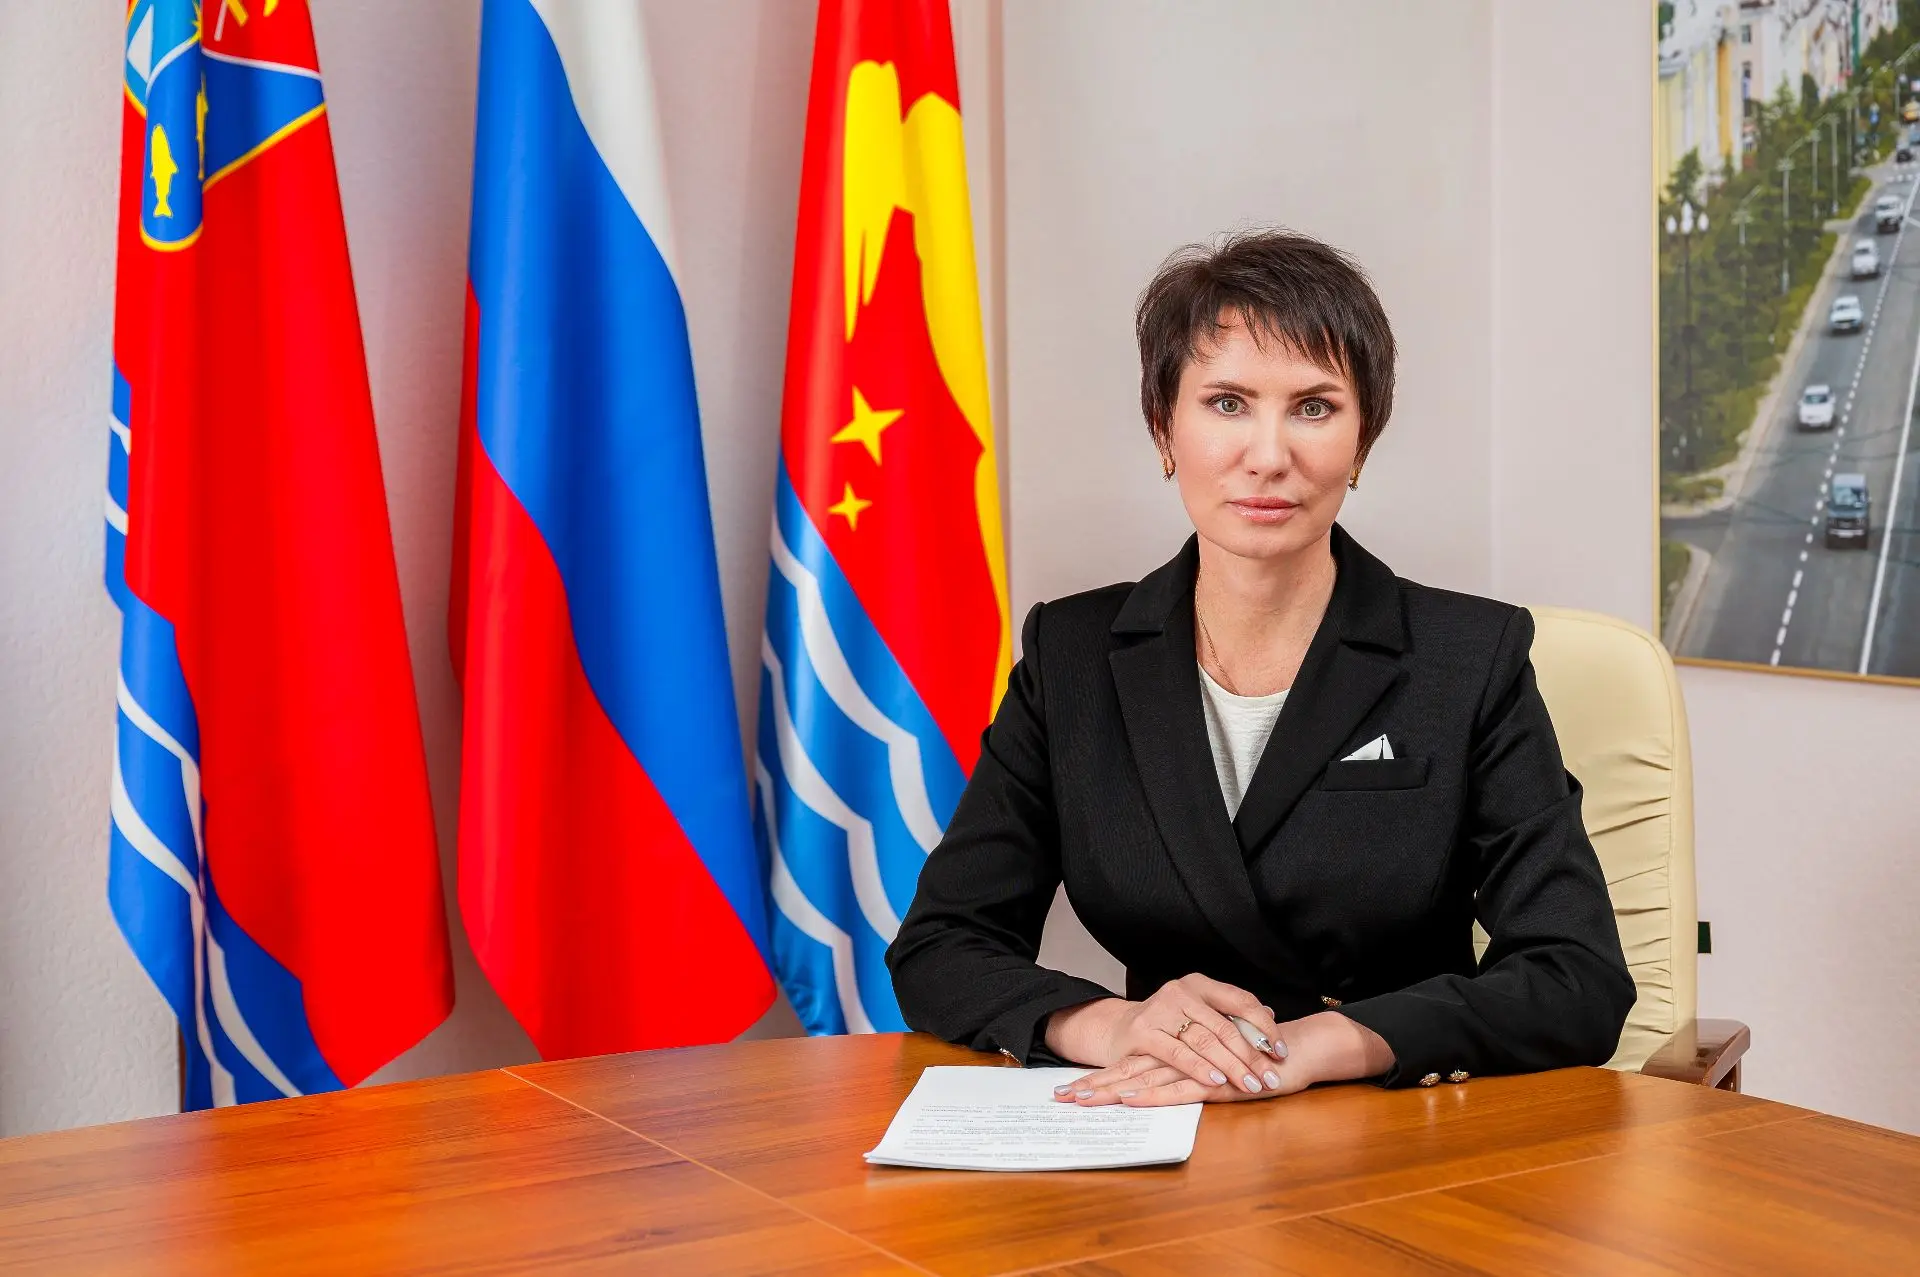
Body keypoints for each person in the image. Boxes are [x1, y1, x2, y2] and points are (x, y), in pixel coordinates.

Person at [885, 229, 1635, 1106]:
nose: (1269, 455)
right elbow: (941, 944)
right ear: (1164, 427)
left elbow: (1577, 975)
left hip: (1393, 1123)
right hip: (1156, 1118)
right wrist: (1111, 1026)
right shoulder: (1072, 655)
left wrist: (1317, 1044)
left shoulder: (1470, 657)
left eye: (1314, 407)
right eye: (1227, 402)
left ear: (1363, 440)